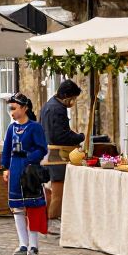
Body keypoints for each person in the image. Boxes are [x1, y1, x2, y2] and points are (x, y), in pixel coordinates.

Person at [1, 93, 49, 255]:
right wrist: (5, 167)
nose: (12, 112)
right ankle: (23, 244)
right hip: (15, 168)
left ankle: (33, 246)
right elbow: (6, 149)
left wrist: (29, 158)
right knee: (17, 208)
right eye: (10, 109)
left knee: (32, 207)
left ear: (24, 108)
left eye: (14, 108)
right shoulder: (11, 128)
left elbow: (42, 148)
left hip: (30, 171)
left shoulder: (35, 127)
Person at [39, 78, 85, 223]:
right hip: (57, 157)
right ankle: (51, 221)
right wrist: (79, 137)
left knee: (51, 193)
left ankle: (49, 220)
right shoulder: (58, 109)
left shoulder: (48, 105)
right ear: (66, 96)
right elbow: (60, 136)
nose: (73, 101)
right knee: (58, 195)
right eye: (73, 98)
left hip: (48, 154)